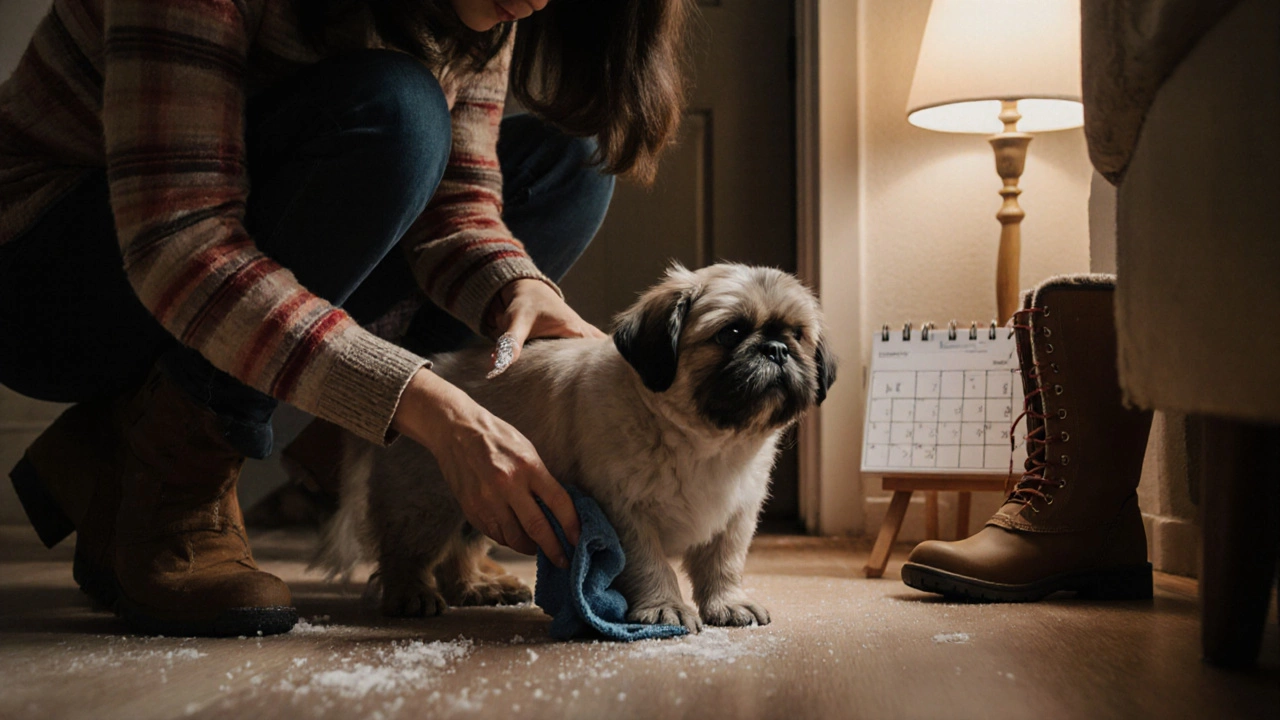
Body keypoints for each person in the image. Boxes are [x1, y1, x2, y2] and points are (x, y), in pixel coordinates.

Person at [0, 0, 692, 636]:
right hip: (45, 274)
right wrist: (426, 406)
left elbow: (455, 204)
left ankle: (129, 437)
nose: (538, 2)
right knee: (398, 112)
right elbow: (179, 243)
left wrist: (513, 286)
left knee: (569, 167)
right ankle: (176, 483)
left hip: (212, 234)